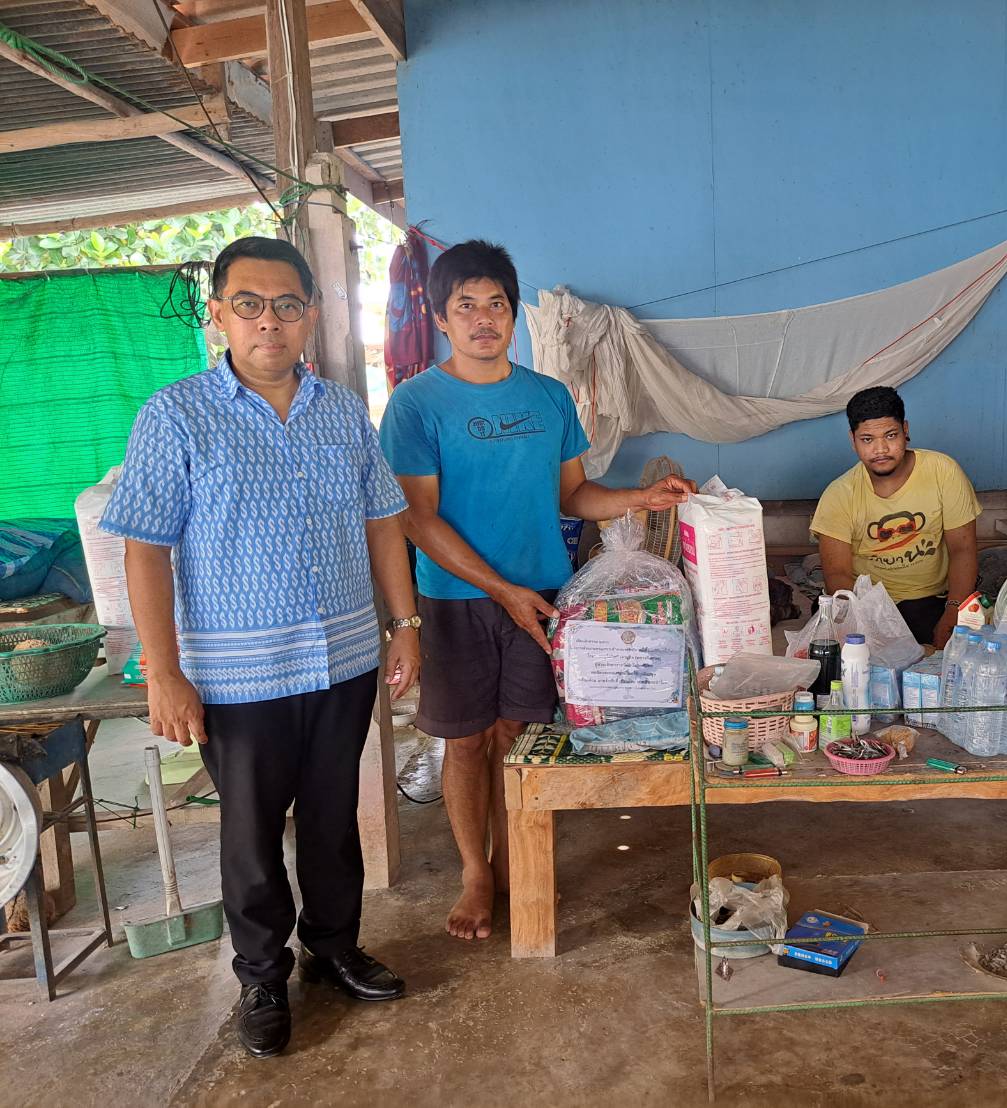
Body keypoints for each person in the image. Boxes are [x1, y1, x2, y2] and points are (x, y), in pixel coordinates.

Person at [101, 237, 422, 1060]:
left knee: (331, 821)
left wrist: (405, 625)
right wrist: (164, 672)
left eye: (286, 304)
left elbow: (382, 522)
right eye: (248, 304)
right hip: (237, 676)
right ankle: (260, 977)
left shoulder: (342, 411)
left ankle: (334, 948)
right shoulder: (175, 414)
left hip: (342, 659)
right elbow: (144, 548)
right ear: (218, 315)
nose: (268, 321)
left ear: (311, 315)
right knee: (250, 837)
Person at [379, 240, 693, 942]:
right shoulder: (416, 403)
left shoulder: (548, 397)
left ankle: (510, 862)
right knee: (466, 742)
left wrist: (640, 498)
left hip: (544, 593)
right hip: (455, 598)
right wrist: (501, 589)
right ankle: (475, 874)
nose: (483, 319)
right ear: (440, 317)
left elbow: (574, 495)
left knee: (516, 736)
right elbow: (417, 518)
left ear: (514, 314)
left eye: (496, 304)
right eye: (466, 306)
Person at [810, 386, 981, 647]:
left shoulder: (943, 472)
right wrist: (874, 626)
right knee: (828, 628)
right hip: (869, 606)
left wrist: (953, 611)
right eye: (867, 439)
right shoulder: (839, 494)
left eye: (890, 435)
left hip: (932, 601)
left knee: (962, 637)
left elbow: (963, 549)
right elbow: (837, 575)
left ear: (905, 430)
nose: (880, 449)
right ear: (853, 440)